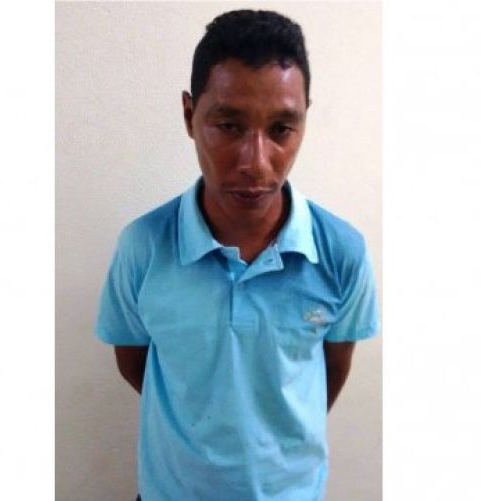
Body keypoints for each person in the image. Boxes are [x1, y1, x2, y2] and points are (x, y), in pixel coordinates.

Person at [95, 9, 379, 501]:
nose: (255, 161)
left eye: (281, 129)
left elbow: (330, 370)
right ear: (190, 115)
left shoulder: (340, 252)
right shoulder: (144, 246)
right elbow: (133, 361)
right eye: (228, 125)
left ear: (305, 119)